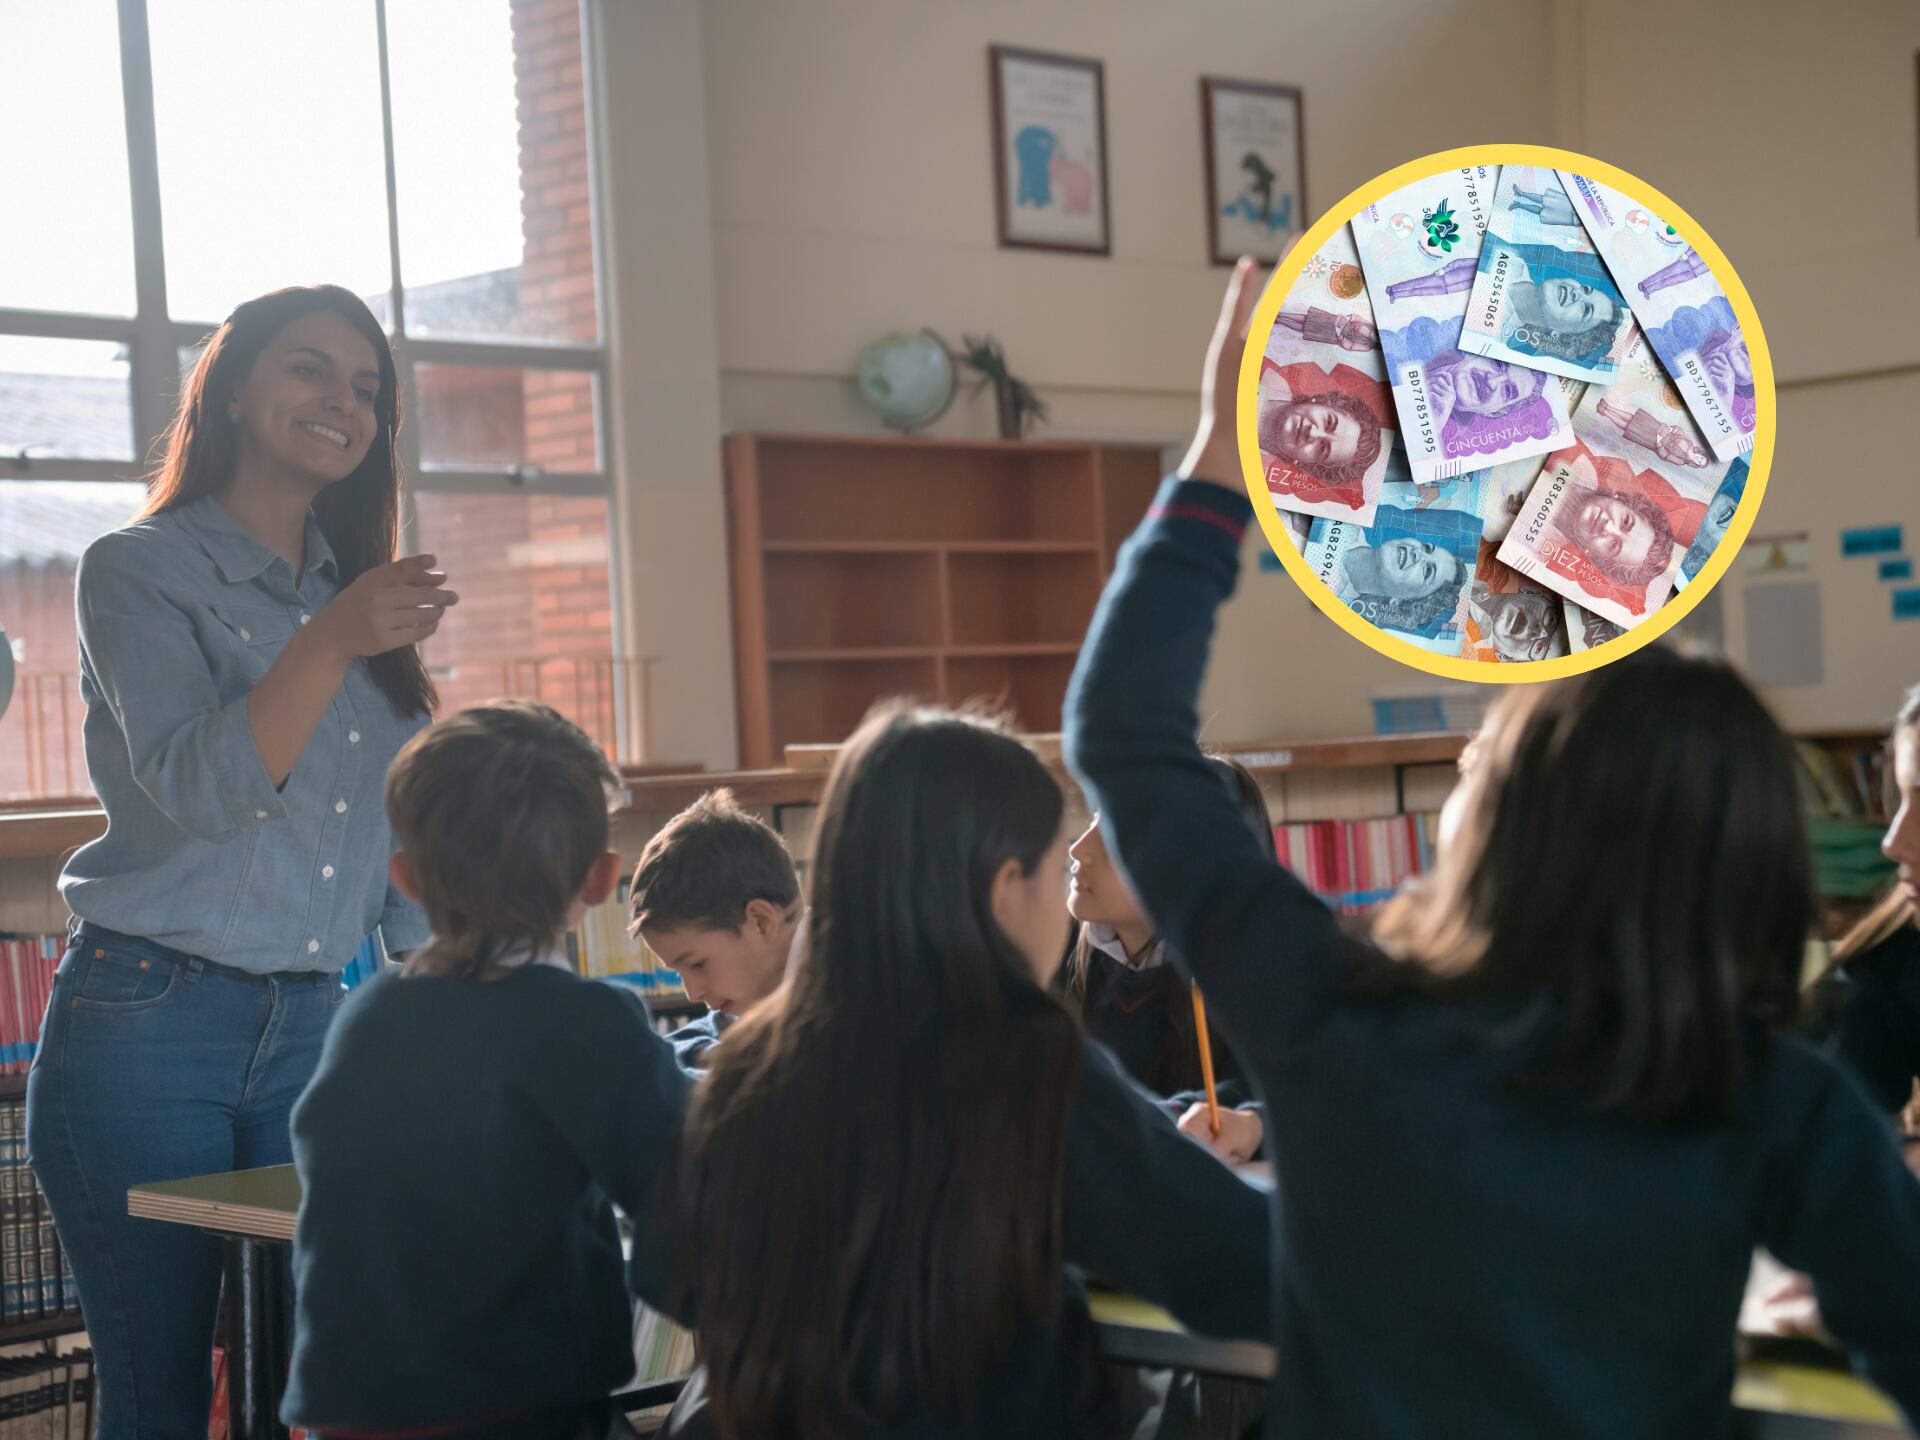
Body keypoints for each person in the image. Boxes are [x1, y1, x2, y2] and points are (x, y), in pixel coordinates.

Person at [1062, 256, 1920, 1435]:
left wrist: (1221, 460)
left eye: (1484, 760)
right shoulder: (1765, 1094)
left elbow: (1121, 734)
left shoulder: (1340, 1010)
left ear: (1505, 823)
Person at [27, 284, 457, 1439]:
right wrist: (331, 639)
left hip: (319, 1029)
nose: (345, 403)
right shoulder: (136, 568)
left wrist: (447, 996)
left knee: (302, 1395)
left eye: (366, 389)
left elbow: (397, 829)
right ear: (231, 387)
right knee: (163, 1399)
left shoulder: (355, 597)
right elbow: (208, 789)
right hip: (145, 1028)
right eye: (311, 369)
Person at [659, 702, 1271, 1439]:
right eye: (1053, 860)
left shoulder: (741, 1072)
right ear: (1005, 886)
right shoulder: (1016, 1061)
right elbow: (1236, 1260)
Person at [284, 702, 690, 1439]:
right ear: (603, 880)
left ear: (404, 878)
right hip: (520, 1408)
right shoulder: (588, 1023)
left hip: (349, 1411)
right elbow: (689, 1209)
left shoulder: (365, 1016)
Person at [1062, 754, 1271, 1162]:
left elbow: (1280, 1097)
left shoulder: (1262, 980)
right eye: (1094, 819)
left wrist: (1250, 1124)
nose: (1079, 848)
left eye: (1116, 832)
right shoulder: (1049, 957)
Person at [627, 788, 805, 1068]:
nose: (692, 994)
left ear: (760, 921)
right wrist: (697, 1053)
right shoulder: (756, 993)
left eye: (697, 964)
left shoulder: (854, 986)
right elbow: (704, 1033)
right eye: (679, 972)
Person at [1551, 481, 1676, 588]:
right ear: (1623, 501)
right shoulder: (1583, 463)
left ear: (1595, 557)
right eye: (1626, 521)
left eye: (1613, 545)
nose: (1608, 527)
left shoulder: (1540, 545)